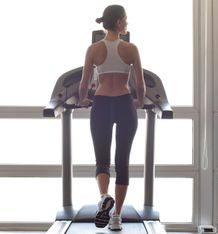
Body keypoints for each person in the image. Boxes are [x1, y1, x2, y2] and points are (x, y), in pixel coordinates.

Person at [78, 4, 146, 231]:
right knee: (123, 162)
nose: (127, 23)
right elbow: (141, 84)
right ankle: (116, 217)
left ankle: (104, 196)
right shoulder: (131, 48)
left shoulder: (93, 49)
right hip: (125, 103)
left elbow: (84, 83)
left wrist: (84, 100)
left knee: (102, 160)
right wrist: (138, 101)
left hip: (102, 104)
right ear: (118, 22)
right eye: (125, 19)